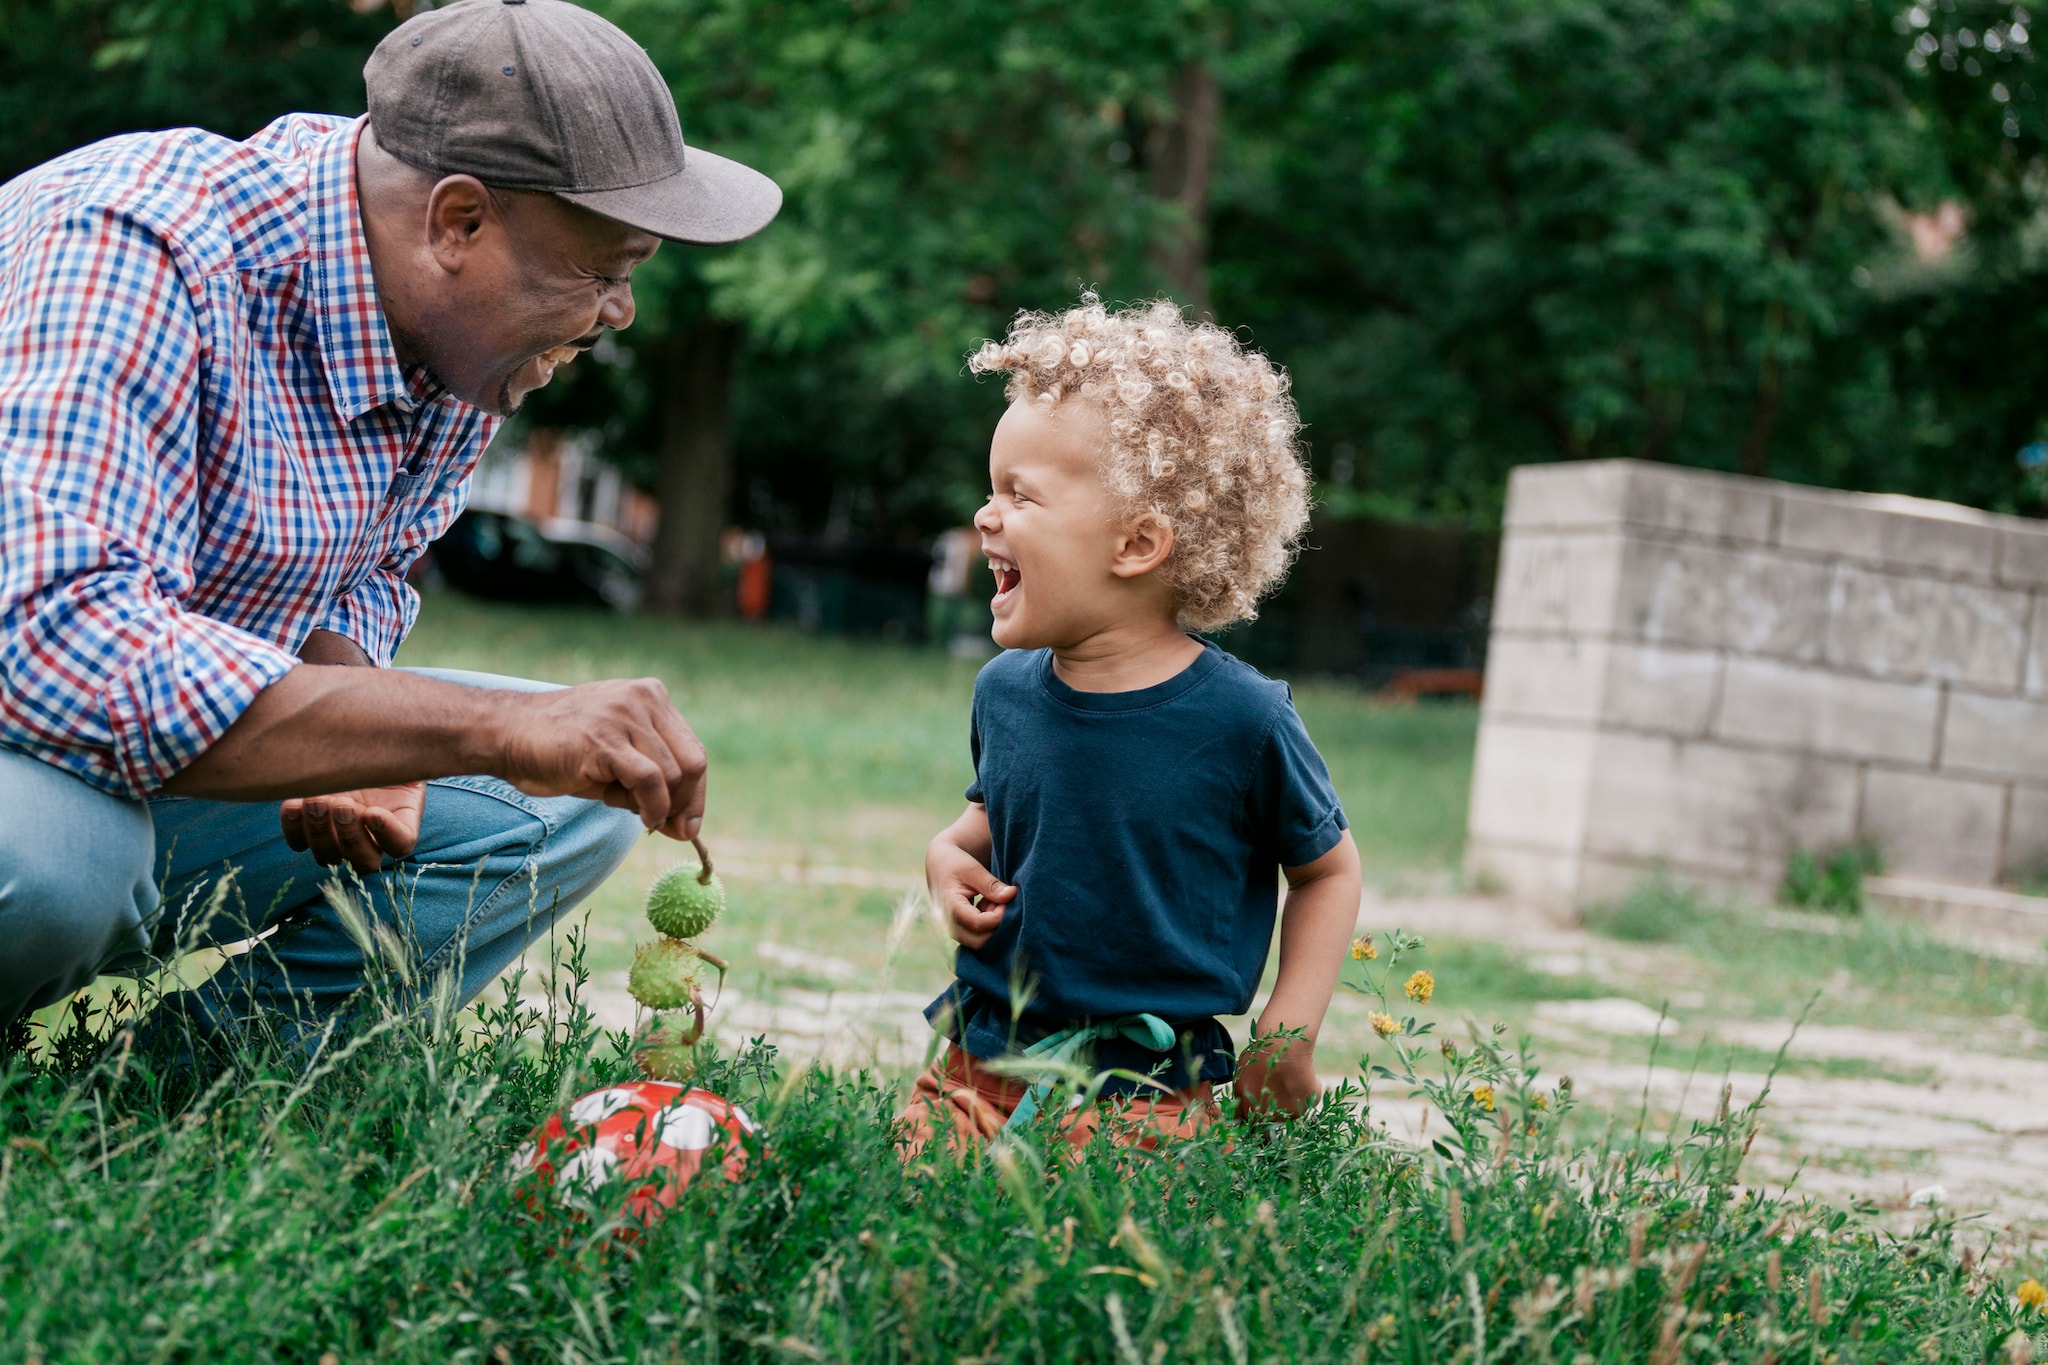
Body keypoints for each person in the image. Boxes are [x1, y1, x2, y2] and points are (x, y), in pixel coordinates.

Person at [0, 0, 782, 1045]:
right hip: (34, 731)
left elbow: (368, 569)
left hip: (139, 745)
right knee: (56, 871)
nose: (617, 313)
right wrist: (493, 729)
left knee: (578, 794)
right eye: (602, 269)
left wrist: (358, 706)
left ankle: (155, 1109)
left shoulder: (453, 332)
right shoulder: (136, 250)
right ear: (457, 222)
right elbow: (58, 650)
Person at [898, 295, 1363, 1156]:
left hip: (1146, 1095)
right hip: (982, 1062)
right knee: (918, 1214)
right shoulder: (1004, 691)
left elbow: (1329, 871)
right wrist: (946, 853)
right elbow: (997, 819)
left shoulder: (1243, 719)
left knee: (1098, 1244)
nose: (984, 516)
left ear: (1137, 543)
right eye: (988, 490)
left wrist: (1285, 1035)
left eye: (1019, 496)